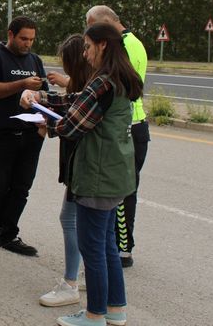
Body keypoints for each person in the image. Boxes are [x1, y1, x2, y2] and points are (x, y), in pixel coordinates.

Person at [21, 22, 143, 326]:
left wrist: (44, 123)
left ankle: (94, 315)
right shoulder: (120, 78)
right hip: (115, 174)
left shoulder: (103, 81)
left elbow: (72, 125)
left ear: (102, 45)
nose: (85, 52)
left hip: (97, 176)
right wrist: (43, 99)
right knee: (108, 246)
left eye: (88, 46)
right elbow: (77, 101)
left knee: (94, 249)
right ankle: (116, 309)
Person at [0, 16, 47, 256]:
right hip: (1, 133)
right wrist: (22, 83)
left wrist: (39, 99)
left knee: (21, 186)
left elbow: (44, 94)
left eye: (32, 40)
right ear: (11, 35)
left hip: (30, 134)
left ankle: (7, 232)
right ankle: (3, 229)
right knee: (0, 185)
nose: (28, 44)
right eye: (23, 39)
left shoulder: (35, 60)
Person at [86, 5, 150, 268]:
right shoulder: (132, 42)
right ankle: (118, 246)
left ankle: (122, 248)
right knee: (123, 189)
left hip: (127, 125)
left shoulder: (126, 46)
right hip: (130, 123)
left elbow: (115, 84)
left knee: (122, 191)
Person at [38, 34, 94, 307]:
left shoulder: (91, 92)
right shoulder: (92, 87)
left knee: (71, 220)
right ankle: (83, 277)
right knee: (81, 222)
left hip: (84, 168)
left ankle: (71, 283)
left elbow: (70, 120)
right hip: (85, 168)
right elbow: (67, 104)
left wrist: (45, 120)